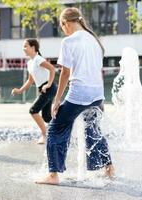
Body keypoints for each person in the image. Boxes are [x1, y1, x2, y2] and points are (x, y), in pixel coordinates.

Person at [36, 7, 114, 185]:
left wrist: (56, 101)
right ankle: (108, 167)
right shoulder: (94, 39)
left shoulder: (69, 41)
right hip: (97, 93)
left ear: (65, 23)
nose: (63, 30)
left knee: (56, 128)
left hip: (80, 93)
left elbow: (65, 73)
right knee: (92, 129)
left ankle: (53, 175)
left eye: (61, 26)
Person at [11, 38, 57, 144]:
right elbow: (31, 80)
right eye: (23, 46)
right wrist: (20, 90)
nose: (24, 48)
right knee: (47, 117)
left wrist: (48, 84)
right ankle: (63, 128)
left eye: (26, 46)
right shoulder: (30, 63)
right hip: (44, 89)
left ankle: (45, 135)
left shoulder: (38, 59)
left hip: (49, 88)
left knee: (33, 110)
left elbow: (52, 69)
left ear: (33, 47)